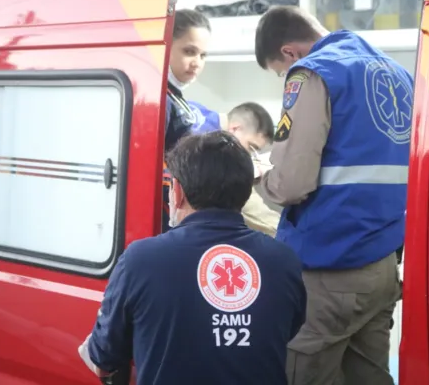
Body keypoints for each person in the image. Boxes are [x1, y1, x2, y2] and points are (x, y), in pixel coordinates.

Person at [253, 6, 413, 385]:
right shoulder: (399, 74)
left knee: (302, 372)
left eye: (279, 70)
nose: (283, 76)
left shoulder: (314, 72)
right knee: (370, 375)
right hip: (383, 264)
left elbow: (291, 184)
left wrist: (258, 176)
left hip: (331, 266)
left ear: (290, 52)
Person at [79, 131, 307, 385]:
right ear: (244, 193)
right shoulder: (283, 261)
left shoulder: (140, 260)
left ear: (177, 191)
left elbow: (103, 358)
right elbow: (286, 331)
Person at [190, 101, 281, 237]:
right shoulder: (211, 144)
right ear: (235, 128)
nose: (249, 155)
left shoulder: (192, 109)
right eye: (251, 147)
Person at [162, 9, 212, 233]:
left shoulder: (174, 95)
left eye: (203, 55)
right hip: (164, 209)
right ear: (166, 46)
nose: (197, 62)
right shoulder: (160, 99)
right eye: (189, 51)